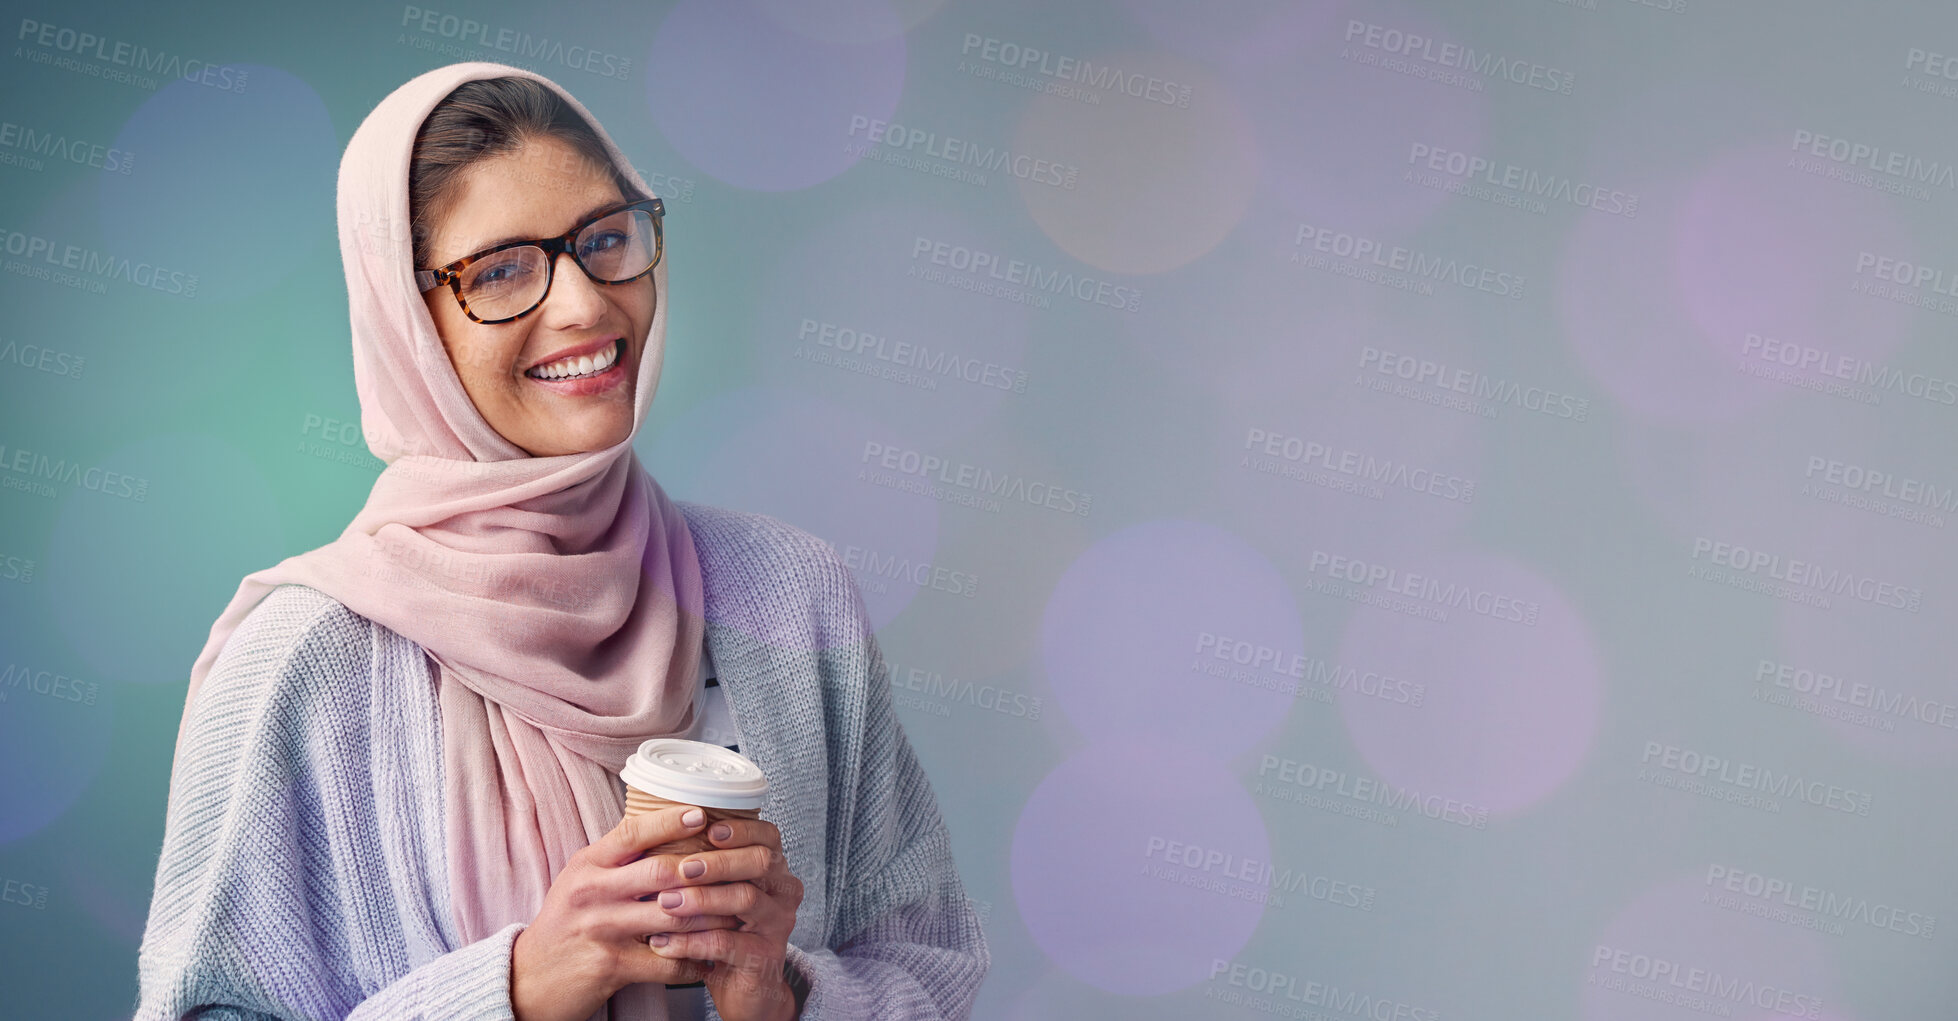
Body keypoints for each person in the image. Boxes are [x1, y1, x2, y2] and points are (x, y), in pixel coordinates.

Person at [133, 61, 990, 1021]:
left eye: (604, 240)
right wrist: (519, 987)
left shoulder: (790, 597)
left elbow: (933, 964)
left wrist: (784, 995)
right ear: (408, 322)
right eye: (500, 269)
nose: (585, 304)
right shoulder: (306, 659)